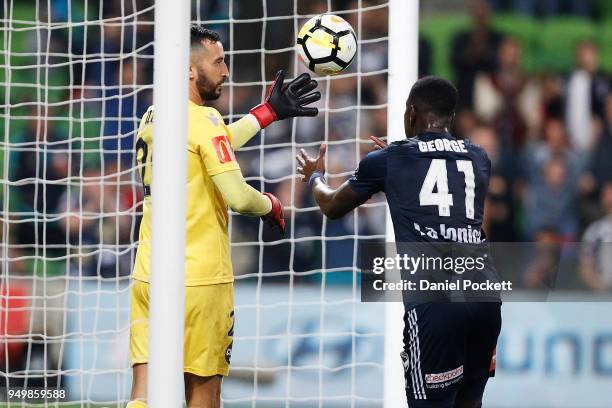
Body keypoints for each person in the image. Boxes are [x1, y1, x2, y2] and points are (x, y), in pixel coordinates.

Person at [127, 26, 320, 408]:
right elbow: (239, 197)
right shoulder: (204, 118)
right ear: (187, 69)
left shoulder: (153, 114)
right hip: (199, 279)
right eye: (218, 62)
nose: (227, 71)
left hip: (148, 272)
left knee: (143, 393)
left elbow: (209, 143)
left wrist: (264, 114)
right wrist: (273, 205)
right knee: (203, 393)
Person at [297, 77, 501, 407]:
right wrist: (397, 159)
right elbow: (439, 181)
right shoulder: (478, 156)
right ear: (451, 116)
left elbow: (332, 206)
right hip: (485, 300)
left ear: (411, 113)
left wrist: (315, 177)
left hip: (436, 306)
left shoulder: (389, 160)